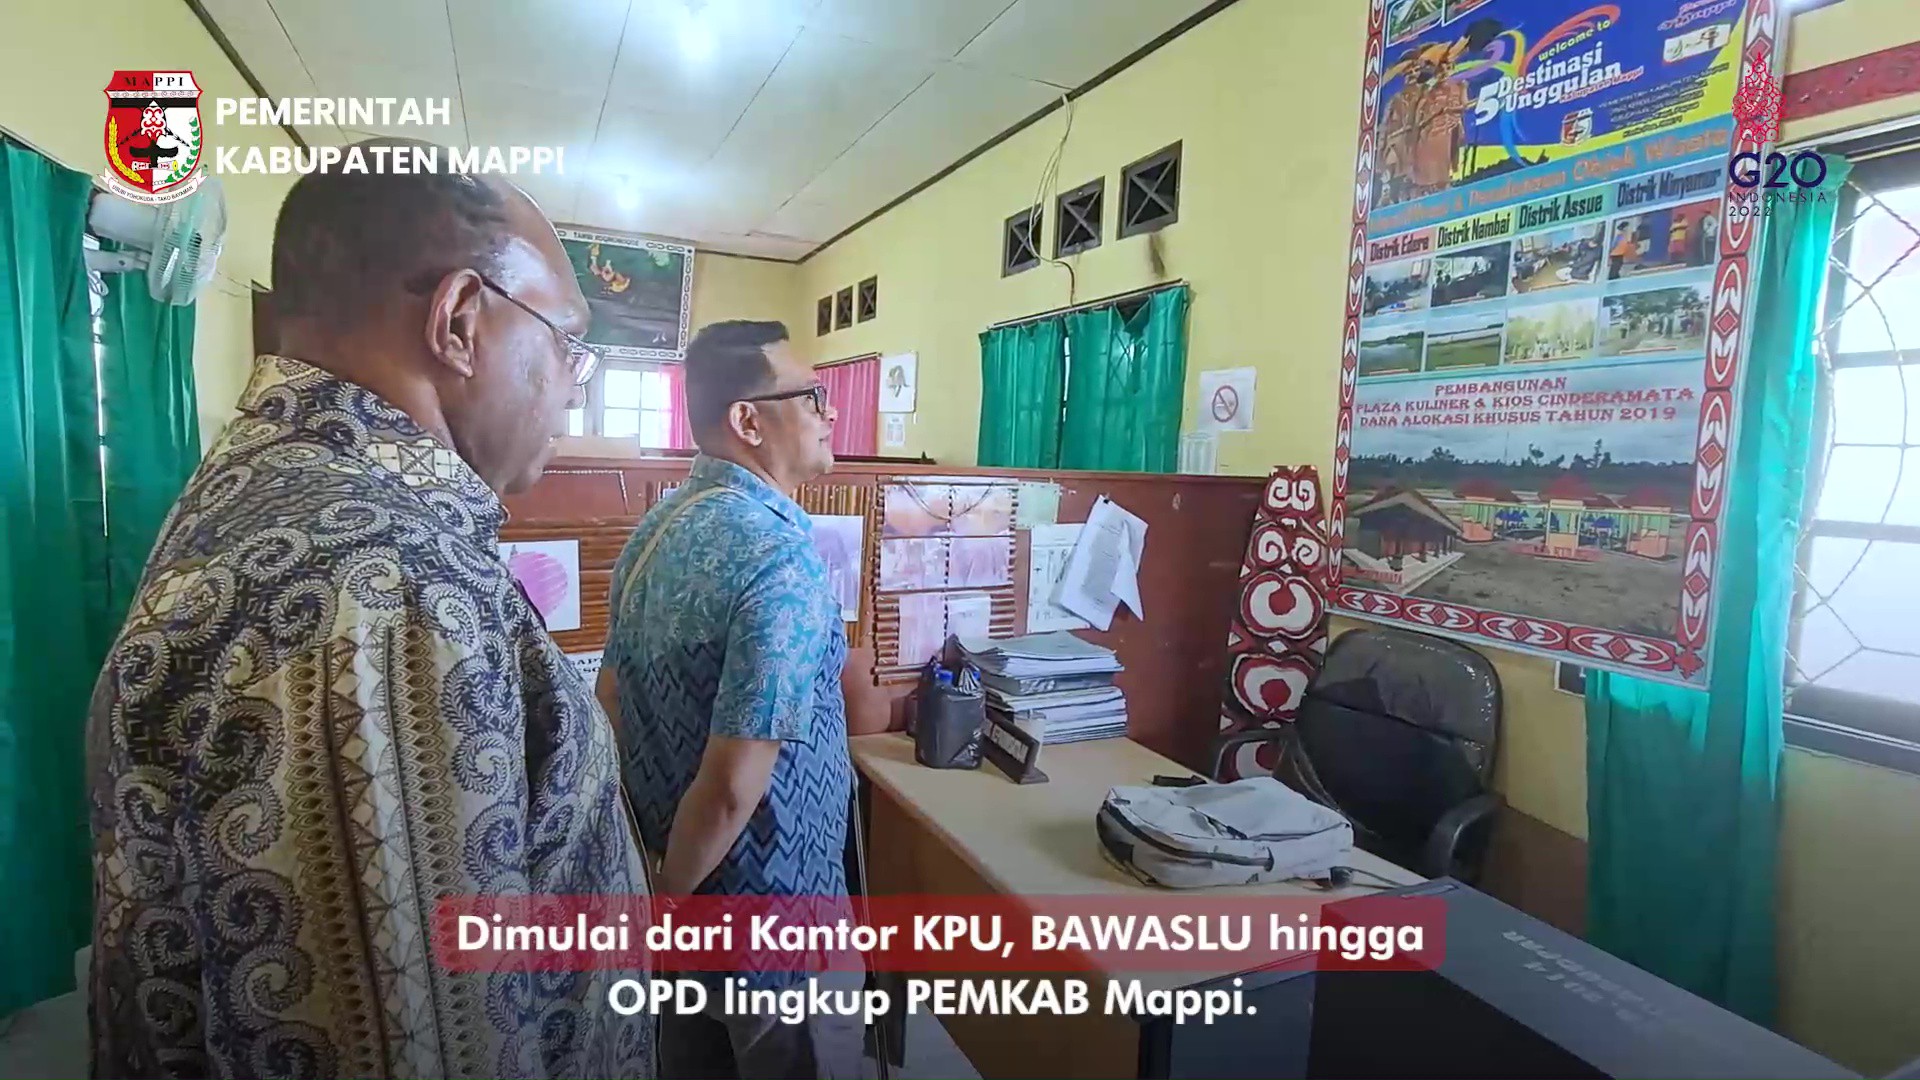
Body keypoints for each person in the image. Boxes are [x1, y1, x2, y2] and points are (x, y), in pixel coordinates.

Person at [86, 148, 655, 1079]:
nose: (573, 383)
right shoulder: (384, 591)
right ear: (460, 320)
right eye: (567, 342)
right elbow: (426, 1038)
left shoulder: (273, 485)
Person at [598, 320, 859, 1079]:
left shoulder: (654, 529)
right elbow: (731, 786)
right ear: (748, 420)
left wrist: (657, 893)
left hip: (677, 894)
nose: (830, 413)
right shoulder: (780, 558)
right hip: (778, 925)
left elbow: (609, 704)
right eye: (812, 397)